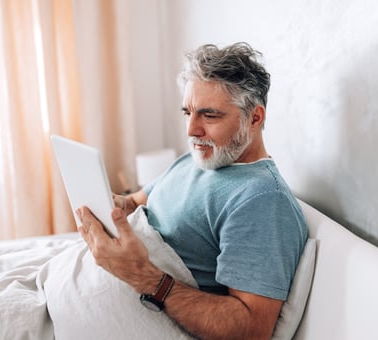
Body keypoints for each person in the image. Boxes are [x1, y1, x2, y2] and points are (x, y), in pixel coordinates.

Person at [76, 42, 307, 339]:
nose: (191, 130)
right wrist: (115, 207)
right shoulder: (198, 159)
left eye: (209, 116)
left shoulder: (261, 200)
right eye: (188, 112)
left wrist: (143, 276)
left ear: (255, 118)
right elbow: (137, 202)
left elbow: (251, 329)